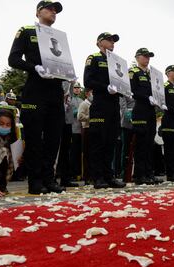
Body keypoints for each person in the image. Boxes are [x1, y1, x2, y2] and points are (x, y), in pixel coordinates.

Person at [8, 0, 67, 194]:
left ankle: (49, 179)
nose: (53, 12)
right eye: (49, 9)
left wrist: (68, 76)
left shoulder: (59, 37)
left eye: (55, 10)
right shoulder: (26, 31)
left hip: (55, 91)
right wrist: (34, 68)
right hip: (35, 89)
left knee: (53, 138)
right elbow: (13, 58)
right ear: (38, 11)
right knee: (34, 137)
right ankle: (35, 181)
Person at [83, 32, 126, 189]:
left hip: (114, 106)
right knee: (98, 143)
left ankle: (109, 176)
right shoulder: (93, 58)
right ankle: (97, 177)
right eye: (109, 40)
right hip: (100, 105)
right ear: (100, 43)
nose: (112, 43)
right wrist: (106, 88)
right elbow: (87, 80)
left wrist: (122, 90)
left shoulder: (116, 63)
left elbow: (122, 84)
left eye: (114, 40)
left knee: (110, 143)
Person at [129, 48, 159, 185]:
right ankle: (139, 175)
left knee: (149, 143)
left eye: (149, 57)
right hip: (140, 109)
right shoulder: (133, 72)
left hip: (151, 111)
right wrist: (147, 97)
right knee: (141, 144)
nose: (147, 59)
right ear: (137, 57)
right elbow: (132, 90)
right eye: (145, 56)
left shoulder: (151, 75)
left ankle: (149, 173)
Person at [77, 88, 93, 184]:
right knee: (87, 153)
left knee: (93, 153)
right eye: (91, 93)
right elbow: (79, 116)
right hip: (86, 128)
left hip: (93, 129)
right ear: (87, 94)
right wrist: (91, 117)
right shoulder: (84, 104)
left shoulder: (93, 104)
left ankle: (92, 175)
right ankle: (86, 177)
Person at [70, 82, 84, 180]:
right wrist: (77, 112)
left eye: (78, 88)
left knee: (79, 153)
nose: (77, 89)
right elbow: (69, 112)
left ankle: (78, 173)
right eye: (75, 88)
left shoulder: (82, 100)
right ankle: (72, 173)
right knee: (72, 153)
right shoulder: (70, 99)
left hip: (80, 129)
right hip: (72, 129)